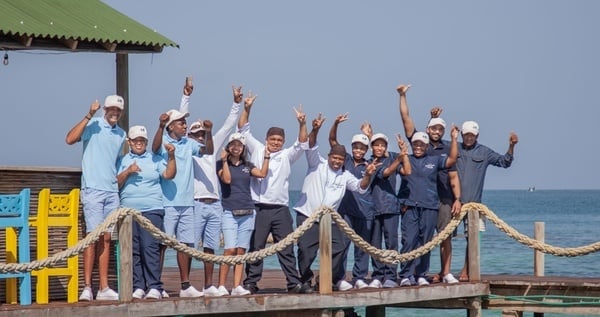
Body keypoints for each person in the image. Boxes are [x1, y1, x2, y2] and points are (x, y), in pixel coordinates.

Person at [295, 114, 379, 292]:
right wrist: (315, 129)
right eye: (334, 158)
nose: (337, 161)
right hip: (308, 215)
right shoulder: (316, 163)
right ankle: (304, 281)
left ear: (343, 161)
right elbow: (311, 145)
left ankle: (324, 279)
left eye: (340, 159)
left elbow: (360, 187)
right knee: (306, 250)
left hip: (330, 220)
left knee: (339, 248)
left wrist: (368, 175)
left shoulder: (345, 175)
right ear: (329, 156)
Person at [180, 81, 244, 297]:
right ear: (189, 136)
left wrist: (237, 103)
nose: (199, 137)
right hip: (196, 202)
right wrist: (186, 97)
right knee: (188, 245)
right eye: (195, 134)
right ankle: (186, 285)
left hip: (215, 204)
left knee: (210, 247)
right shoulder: (186, 149)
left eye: (201, 134)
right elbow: (179, 120)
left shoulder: (212, 144)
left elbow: (228, 125)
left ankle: (209, 286)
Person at [237, 100, 308, 294]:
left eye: (279, 140)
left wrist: (302, 123)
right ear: (266, 138)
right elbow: (242, 127)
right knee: (256, 247)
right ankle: (251, 282)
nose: (276, 142)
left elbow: (302, 143)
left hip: (280, 209)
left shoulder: (287, 155)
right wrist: (247, 107)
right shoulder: (257, 149)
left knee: (286, 248)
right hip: (259, 207)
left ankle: (293, 283)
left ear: (283, 142)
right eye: (273, 139)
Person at [397, 84, 461, 284]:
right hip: (411, 203)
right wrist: (402, 96)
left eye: (440, 129)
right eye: (433, 127)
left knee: (428, 241)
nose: (418, 146)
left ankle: (421, 274)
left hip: (436, 202)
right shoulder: (407, 155)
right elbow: (406, 119)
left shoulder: (444, 150)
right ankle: (406, 275)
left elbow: (452, 165)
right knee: (409, 240)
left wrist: (453, 138)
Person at [66, 95, 126, 301]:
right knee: (91, 238)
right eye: (111, 109)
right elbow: (70, 139)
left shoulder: (122, 134)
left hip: (111, 192)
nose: (114, 113)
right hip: (92, 189)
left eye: (118, 110)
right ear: (105, 109)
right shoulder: (93, 124)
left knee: (107, 239)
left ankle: (104, 287)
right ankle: (87, 287)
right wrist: (88, 114)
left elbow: (116, 163)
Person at [151, 108, 214, 298]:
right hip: (168, 202)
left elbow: (208, 150)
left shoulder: (188, 143)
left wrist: (209, 132)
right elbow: (154, 149)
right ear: (171, 126)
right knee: (163, 244)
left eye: (185, 123)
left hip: (188, 203)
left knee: (185, 245)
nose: (185, 125)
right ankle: (156, 285)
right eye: (181, 123)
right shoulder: (163, 141)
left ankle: (185, 286)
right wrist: (160, 126)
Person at [117, 125, 176, 300]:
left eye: (142, 141)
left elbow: (169, 175)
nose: (139, 143)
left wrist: (171, 156)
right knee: (133, 249)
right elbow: (116, 183)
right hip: (128, 211)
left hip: (152, 209)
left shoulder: (155, 159)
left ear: (146, 142)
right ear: (129, 142)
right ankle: (138, 285)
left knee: (150, 248)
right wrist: (128, 171)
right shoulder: (121, 160)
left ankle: (155, 286)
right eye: (136, 140)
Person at [455, 120, 518, 281]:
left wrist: (511, 146)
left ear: (477, 136)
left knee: (473, 239)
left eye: (472, 135)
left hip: (474, 205)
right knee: (445, 236)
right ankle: (445, 271)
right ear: (462, 135)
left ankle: (467, 270)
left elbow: (504, 162)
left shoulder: (484, 152)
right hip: (454, 202)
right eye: (466, 134)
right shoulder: (454, 148)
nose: (469, 138)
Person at [216, 132, 270, 296]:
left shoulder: (248, 165)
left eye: (239, 145)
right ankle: (221, 286)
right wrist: (225, 160)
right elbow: (226, 180)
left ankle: (237, 286)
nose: (236, 147)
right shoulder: (220, 163)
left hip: (248, 211)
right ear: (228, 147)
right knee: (229, 250)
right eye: (233, 144)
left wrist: (267, 157)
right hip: (229, 211)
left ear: (243, 147)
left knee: (241, 251)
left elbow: (261, 174)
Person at [328, 113, 375, 289]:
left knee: (362, 247)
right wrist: (336, 123)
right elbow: (332, 140)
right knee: (342, 246)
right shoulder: (344, 159)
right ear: (351, 147)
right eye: (355, 147)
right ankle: (339, 278)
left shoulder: (371, 164)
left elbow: (380, 150)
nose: (358, 150)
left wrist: (370, 136)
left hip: (365, 211)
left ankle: (359, 278)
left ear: (366, 150)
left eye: (362, 148)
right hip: (344, 212)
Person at [361, 124, 411, 288]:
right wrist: (399, 158)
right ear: (371, 147)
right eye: (376, 144)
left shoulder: (393, 157)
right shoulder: (370, 162)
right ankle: (377, 275)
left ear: (386, 147)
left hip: (391, 208)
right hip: (373, 208)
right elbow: (385, 173)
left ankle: (390, 275)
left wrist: (404, 154)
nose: (379, 147)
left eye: (382, 145)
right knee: (375, 244)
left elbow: (408, 171)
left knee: (391, 244)